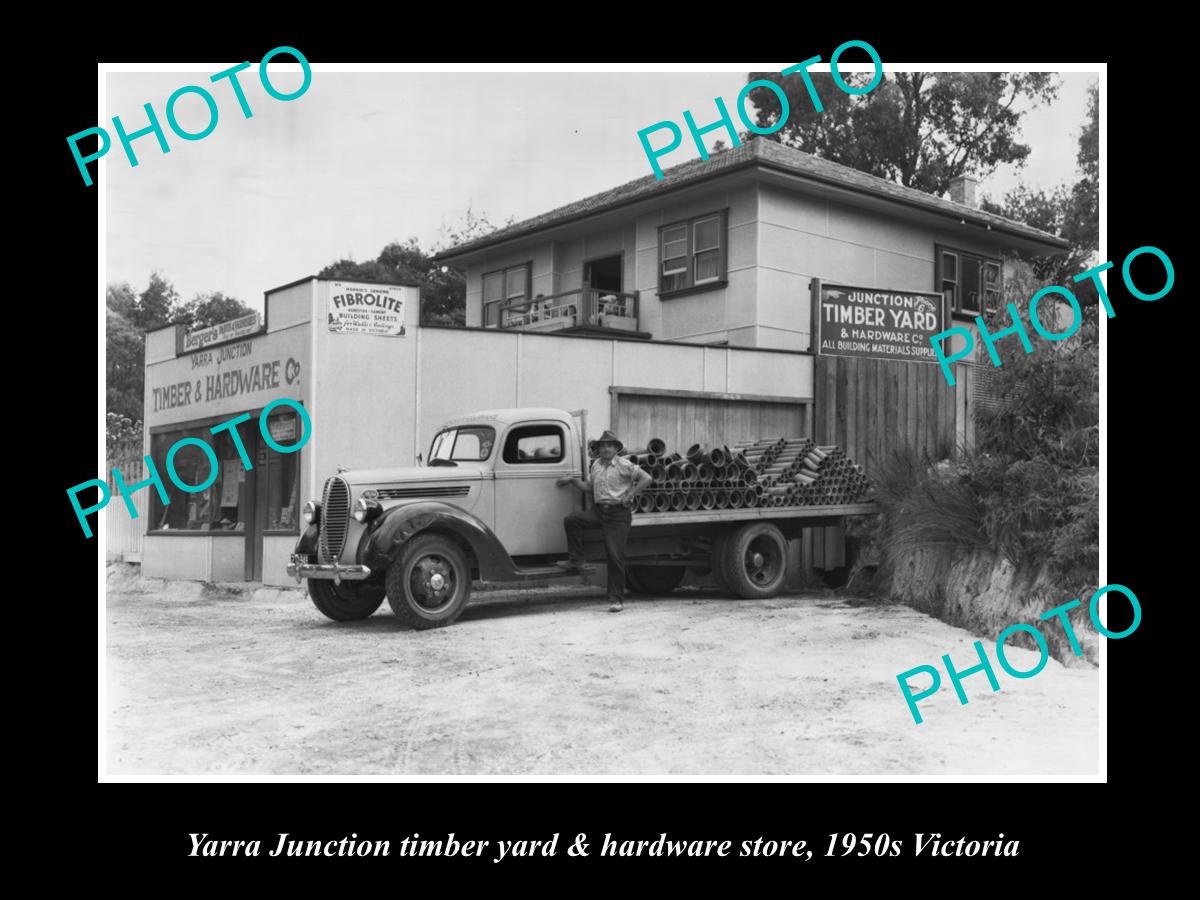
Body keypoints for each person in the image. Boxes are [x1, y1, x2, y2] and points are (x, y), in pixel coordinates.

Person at [555, 430, 652, 613]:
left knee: (614, 556)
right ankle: (576, 560)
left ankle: (616, 599)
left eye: (609, 445)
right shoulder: (596, 465)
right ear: (599, 449)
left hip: (618, 515)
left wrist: (631, 494)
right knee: (572, 520)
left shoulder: (624, 465)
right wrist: (572, 481)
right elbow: (589, 488)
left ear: (616, 449)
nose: (606, 449)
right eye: (603, 445)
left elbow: (647, 478)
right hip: (599, 512)